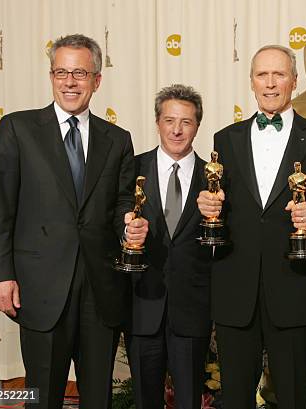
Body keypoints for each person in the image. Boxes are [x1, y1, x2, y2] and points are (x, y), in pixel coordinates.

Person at [0, 34, 148, 409]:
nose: (69, 82)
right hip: (40, 287)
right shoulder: (17, 129)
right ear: (51, 75)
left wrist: (131, 226)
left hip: (100, 288)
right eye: (61, 72)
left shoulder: (117, 139)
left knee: (97, 398)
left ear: (97, 80)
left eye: (79, 72)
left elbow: (123, 203)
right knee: (41, 397)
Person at [196, 45, 306, 409]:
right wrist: (206, 207)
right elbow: (219, 210)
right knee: (235, 398)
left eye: (279, 75)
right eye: (262, 75)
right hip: (235, 289)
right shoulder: (224, 140)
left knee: (293, 397)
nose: (271, 83)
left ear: (294, 81)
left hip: (293, 286)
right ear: (251, 82)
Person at [125, 84, 211, 409]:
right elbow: (111, 230)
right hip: (141, 308)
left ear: (197, 126)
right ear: (157, 122)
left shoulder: (216, 177)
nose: (177, 130)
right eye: (169, 120)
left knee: (190, 401)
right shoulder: (131, 171)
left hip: (192, 310)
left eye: (186, 122)